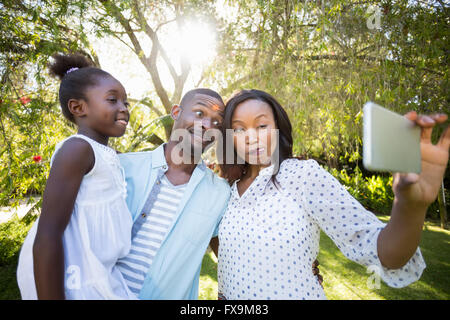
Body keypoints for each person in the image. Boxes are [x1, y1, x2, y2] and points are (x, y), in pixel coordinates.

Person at [214, 89, 449, 300]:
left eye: (262, 126)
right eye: (239, 129)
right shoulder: (226, 189)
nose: (251, 137)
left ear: (278, 128)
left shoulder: (302, 175)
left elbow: (383, 251)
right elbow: (221, 245)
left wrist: (410, 205)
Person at [16, 53, 136, 300]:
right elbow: (48, 234)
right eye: (113, 100)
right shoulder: (78, 149)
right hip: (76, 278)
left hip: (101, 272)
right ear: (78, 107)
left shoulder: (105, 153)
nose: (124, 108)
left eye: (126, 102)